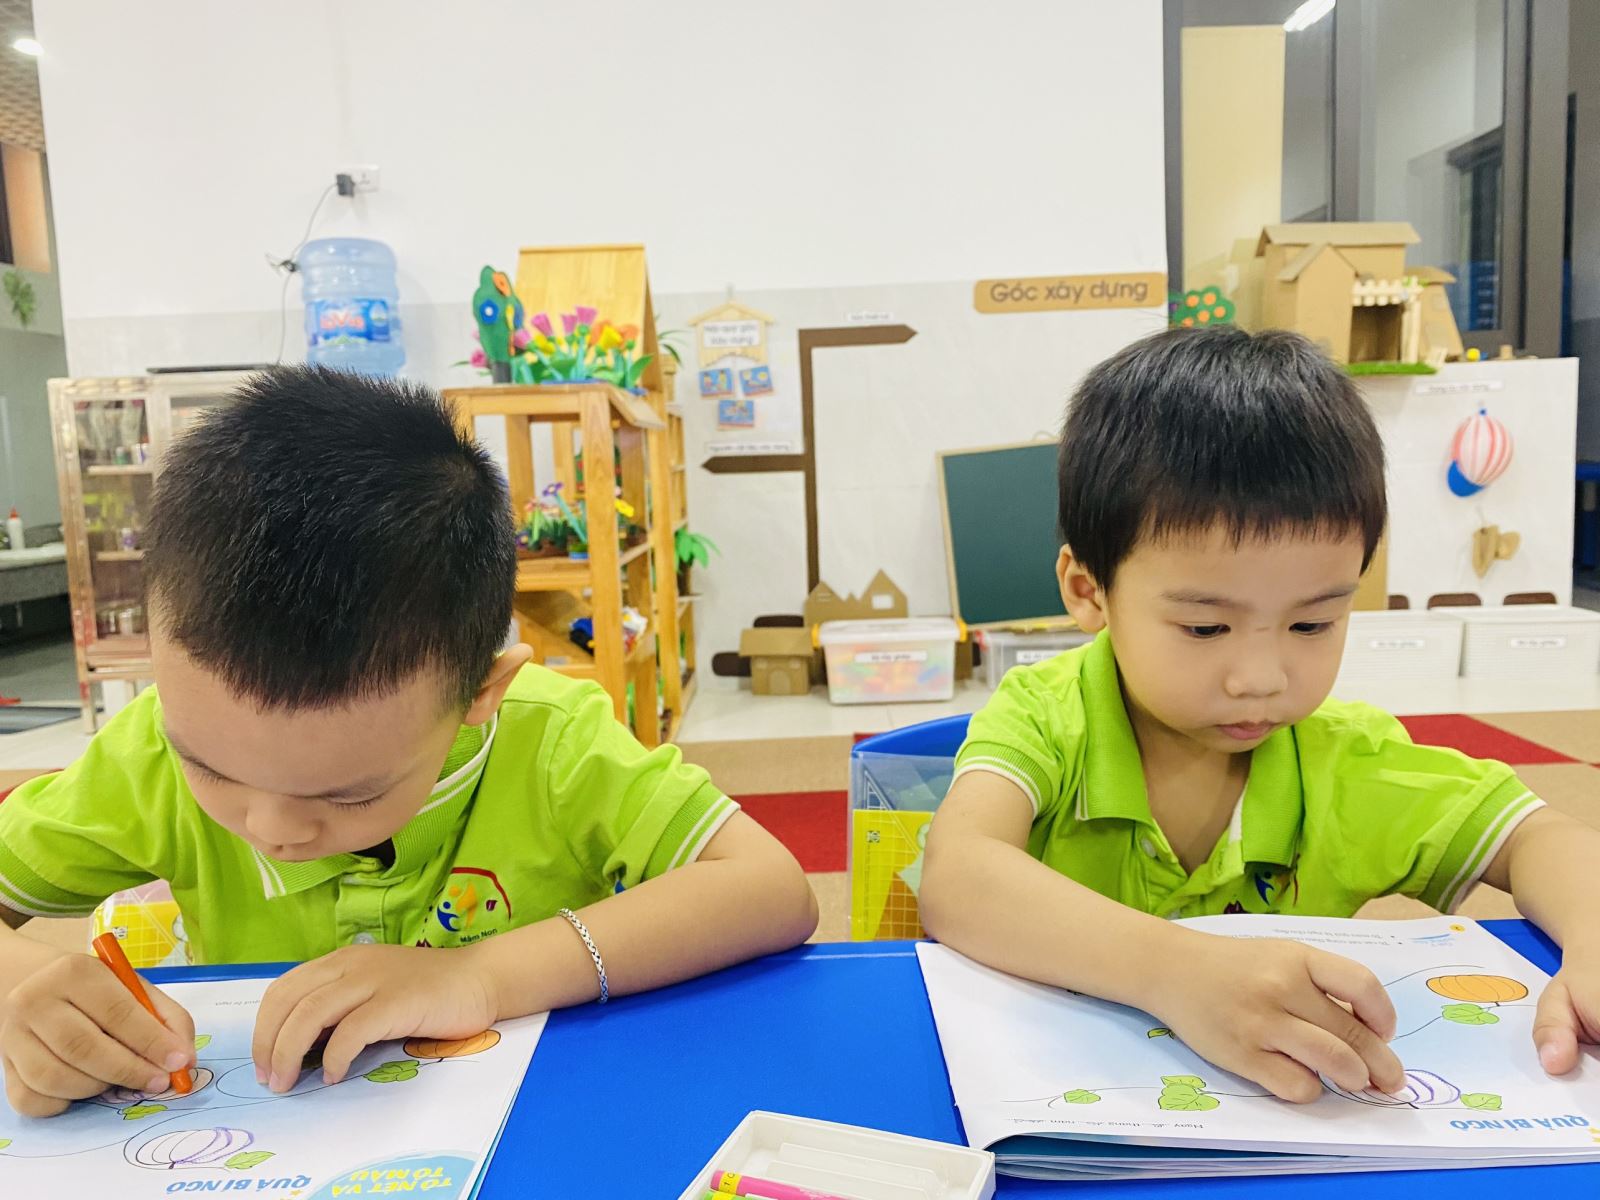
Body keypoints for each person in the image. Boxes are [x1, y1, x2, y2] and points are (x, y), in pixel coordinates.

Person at [0, 366, 817, 1116]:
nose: (273, 828)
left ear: (480, 692)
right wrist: (28, 991)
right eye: (207, 768)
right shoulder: (145, 752)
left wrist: (483, 975)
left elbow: (771, 888)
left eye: (348, 793)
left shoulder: (549, 740)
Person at [920, 327, 1600, 1103]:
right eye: (1206, 627)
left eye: (1312, 623)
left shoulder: (1345, 760)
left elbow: (1536, 837)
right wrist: (1174, 970)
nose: (1261, 679)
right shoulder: (1046, 716)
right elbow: (959, 874)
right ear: (1088, 590)